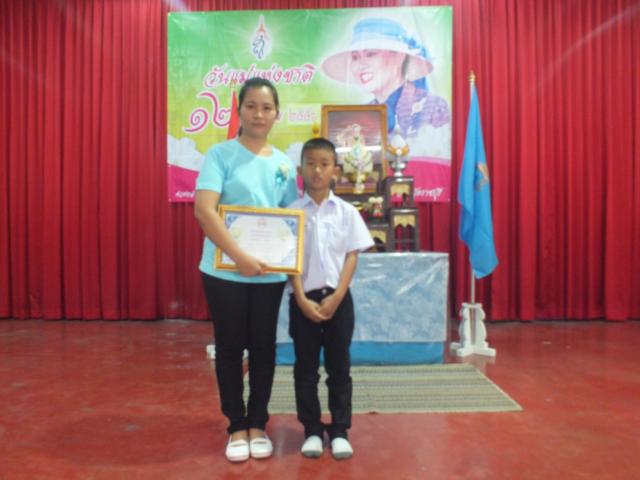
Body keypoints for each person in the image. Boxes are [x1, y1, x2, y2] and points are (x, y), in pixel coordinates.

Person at [194, 77, 298, 463]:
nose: (259, 114)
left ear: (276, 114)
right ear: (239, 110)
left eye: (266, 107)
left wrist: (286, 261)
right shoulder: (220, 155)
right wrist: (239, 256)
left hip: (269, 273)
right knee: (229, 348)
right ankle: (236, 425)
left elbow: (291, 220)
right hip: (224, 271)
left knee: (264, 349)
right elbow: (204, 210)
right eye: (251, 106)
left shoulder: (284, 164)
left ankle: (258, 423)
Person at [287, 138, 374, 460]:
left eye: (324, 164)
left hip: (338, 301)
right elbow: (289, 259)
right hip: (303, 300)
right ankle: (311, 429)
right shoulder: (292, 213)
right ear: (300, 170)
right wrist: (300, 297)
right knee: (305, 370)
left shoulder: (347, 212)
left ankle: (339, 430)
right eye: (310, 163)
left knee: (339, 368)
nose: (317, 170)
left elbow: (352, 255)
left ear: (335, 170)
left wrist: (338, 295)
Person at [321, 17, 450, 157]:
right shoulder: (362, 114)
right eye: (355, 57)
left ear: (399, 57)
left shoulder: (432, 105)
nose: (360, 65)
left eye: (370, 54)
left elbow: (439, 162)